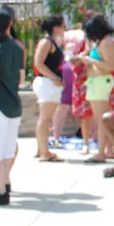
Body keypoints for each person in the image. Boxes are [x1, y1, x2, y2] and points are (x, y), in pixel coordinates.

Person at [75, 13, 114, 163]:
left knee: (101, 120)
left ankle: (101, 152)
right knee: (101, 118)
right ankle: (107, 150)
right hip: (96, 82)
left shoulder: (107, 42)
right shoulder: (101, 42)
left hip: (100, 82)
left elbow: (110, 66)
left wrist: (90, 60)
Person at [0, 8, 23, 205]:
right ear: (10, 23)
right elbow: (20, 78)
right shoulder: (17, 47)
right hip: (14, 104)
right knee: (7, 150)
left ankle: (0, 190)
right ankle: (5, 185)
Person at [32, 15, 66, 162]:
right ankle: (45, 152)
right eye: (63, 26)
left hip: (49, 83)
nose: (65, 29)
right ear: (56, 28)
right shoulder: (46, 42)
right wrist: (55, 78)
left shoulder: (51, 42)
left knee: (45, 118)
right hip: (47, 83)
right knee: (45, 118)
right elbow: (38, 63)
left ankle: (41, 149)